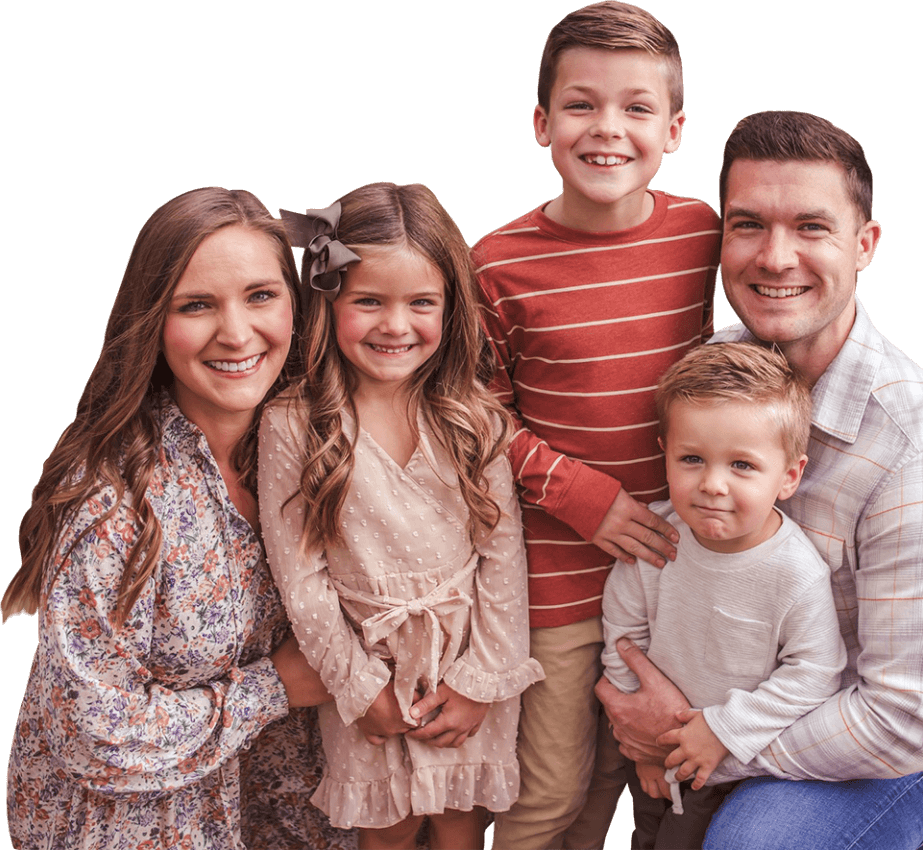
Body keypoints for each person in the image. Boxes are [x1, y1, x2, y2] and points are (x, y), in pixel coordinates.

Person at [597, 110, 923, 849]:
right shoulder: (713, 371)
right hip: (741, 691)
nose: (775, 258)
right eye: (748, 224)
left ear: (864, 244)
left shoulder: (922, 451)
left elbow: (906, 721)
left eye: (811, 227)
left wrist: (708, 744)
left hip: (901, 730)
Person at [3, 188, 357, 850]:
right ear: (153, 322)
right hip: (139, 829)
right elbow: (92, 731)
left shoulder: (312, 455)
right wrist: (272, 686)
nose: (236, 332)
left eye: (260, 296)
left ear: (296, 303)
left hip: (276, 816)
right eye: (197, 305)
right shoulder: (115, 498)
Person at [471, 3, 720, 847]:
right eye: (581, 105)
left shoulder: (705, 236)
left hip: (680, 573)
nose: (606, 128)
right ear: (542, 123)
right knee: (551, 795)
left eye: (636, 108)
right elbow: (470, 416)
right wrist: (580, 495)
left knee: (642, 778)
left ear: (676, 129)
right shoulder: (495, 262)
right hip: (560, 579)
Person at [258, 183, 544, 850]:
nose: (396, 325)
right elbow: (302, 581)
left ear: (451, 307)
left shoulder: (475, 419)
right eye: (369, 301)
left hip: (464, 662)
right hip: (368, 664)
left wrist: (479, 684)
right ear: (328, 302)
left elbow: (503, 559)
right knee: (385, 828)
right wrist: (362, 691)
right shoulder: (295, 426)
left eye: (421, 303)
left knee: (459, 824)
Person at [601, 342, 847, 849]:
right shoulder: (659, 538)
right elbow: (622, 635)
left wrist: (722, 730)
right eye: (692, 459)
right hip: (652, 752)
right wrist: (647, 746)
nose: (712, 484)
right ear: (664, 454)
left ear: (789, 476)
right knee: (644, 835)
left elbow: (816, 671)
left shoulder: (795, 571)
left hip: (732, 766)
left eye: (742, 466)